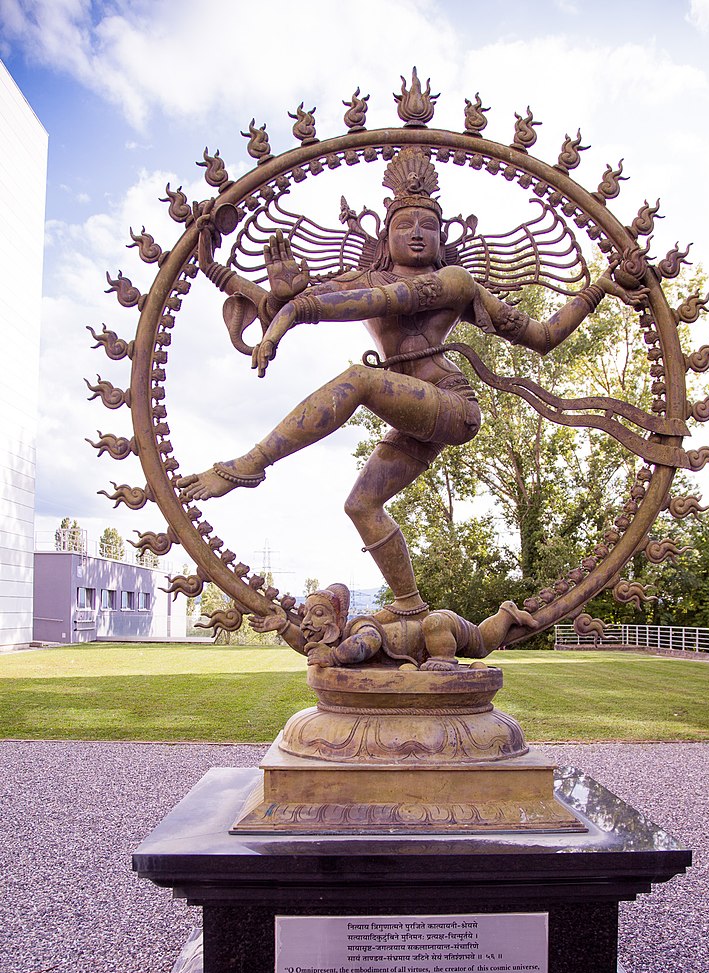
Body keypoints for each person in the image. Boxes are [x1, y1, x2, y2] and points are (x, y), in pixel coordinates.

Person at [179, 148, 644, 620]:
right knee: (362, 504)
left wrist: (598, 289)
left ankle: (249, 465)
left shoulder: (454, 282)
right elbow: (290, 303)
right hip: (412, 417)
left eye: (429, 226)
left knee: (360, 380)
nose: (418, 233)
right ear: (386, 236)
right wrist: (253, 284)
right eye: (405, 225)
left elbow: (541, 336)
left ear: (442, 239)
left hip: (451, 405)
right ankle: (410, 608)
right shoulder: (365, 278)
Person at [251, 582, 538, 671]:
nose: (307, 622)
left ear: (338, 620)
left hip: (440, 625)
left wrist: (335, 657)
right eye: (306, 615)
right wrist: (284, 627)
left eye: (317, 614)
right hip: (426, 644)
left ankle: (507, 612)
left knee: (478, 644)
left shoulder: (359, 628)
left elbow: (370, 643)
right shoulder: (338, 641)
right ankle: (506, 612)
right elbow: (311, 648)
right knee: (478, 644)